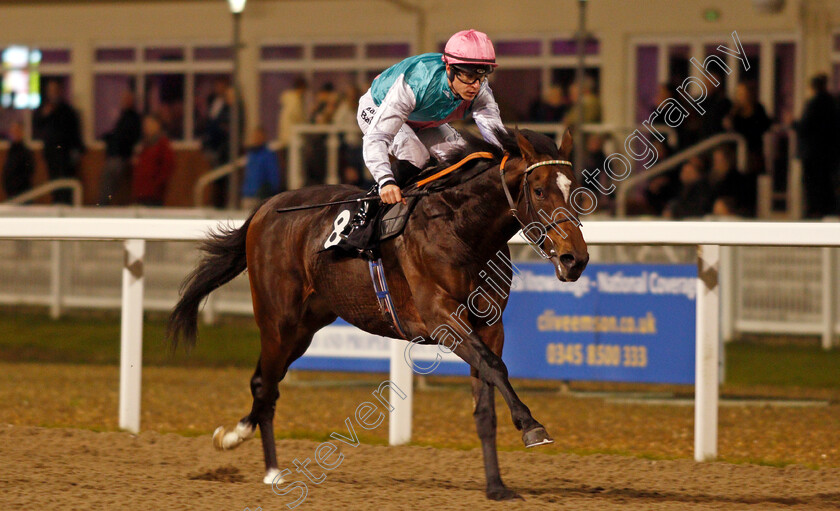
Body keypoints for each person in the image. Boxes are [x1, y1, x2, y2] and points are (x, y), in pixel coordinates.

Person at [357, 29, 505, 204]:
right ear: (449, 68)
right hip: (377, 106)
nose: (475, 86)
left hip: (420, 120)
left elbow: (496, 136)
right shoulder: (417, 82)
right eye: (469, 76)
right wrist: (385, 181)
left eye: (481, 77)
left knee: (463, 157)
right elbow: (377, 137)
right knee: (416, 155)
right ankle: (369, 208)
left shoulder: (480, 90)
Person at [795, 74, 840, 218]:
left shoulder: (815, 103)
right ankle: (825, 209)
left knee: (813, 183)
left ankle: (815, 210)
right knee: (825, 182)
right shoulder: (831, 102)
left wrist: (793, 123)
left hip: (813, 152)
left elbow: (806, 126)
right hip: (827, 151)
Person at [33, 80, 84, 204]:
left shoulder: (67, 110)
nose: (53, 93)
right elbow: (37, 126)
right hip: (51, 152)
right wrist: (45, 114)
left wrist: (77, 150)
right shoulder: (44, 109)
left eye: (55, 90)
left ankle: (66, 203)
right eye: (50, 91)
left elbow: (74, 132)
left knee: (65, 180)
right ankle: (56, 201)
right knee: (53, 180)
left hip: (65, 153)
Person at [99, 90, 141, 205]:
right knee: (108, 185)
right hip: (115, 155)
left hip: (120, 157)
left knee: (110, 186)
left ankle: (103, 207)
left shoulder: (132, 118)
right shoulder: (124, 117)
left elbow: (125, 138)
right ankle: (103, 205)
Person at [726, 81, 771, 174]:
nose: (741, 96)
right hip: (737, 151)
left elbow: (764, 126)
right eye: (739, 93)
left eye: (743, 93)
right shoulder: (734, 111)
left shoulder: (758, 109)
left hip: (753, 150)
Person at [131, 115, 175, 206]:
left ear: (157, 125)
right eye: (145, 125)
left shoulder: (163, 144)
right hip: (141, 192)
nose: (147, 128)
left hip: (153, 194)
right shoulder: (144, 144)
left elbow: (167, 166)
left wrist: (157, 186)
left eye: (149, 124)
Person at [241, 127, 281, 211]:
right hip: (248, 195)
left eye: (258, 136)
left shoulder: (268, 155)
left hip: (260, 197)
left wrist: (268, 192)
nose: (256, 138)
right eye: (254, 136)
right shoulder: (251, 154)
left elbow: (273, 177)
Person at [2, 121, 35, 200]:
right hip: (11, 192)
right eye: (13, 131)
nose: (14, 133)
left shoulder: (26, 152)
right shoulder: (11, 150)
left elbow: (29, 172)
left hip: (22, 193)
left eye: (17, 131)